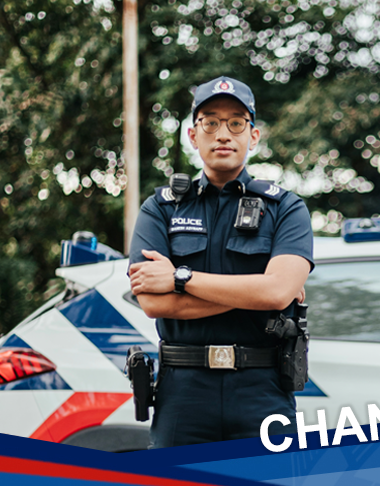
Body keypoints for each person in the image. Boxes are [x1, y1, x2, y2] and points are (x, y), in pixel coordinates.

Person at [127, 76, 313, 448]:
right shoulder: (160, 209)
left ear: (253, 135)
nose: (223, 134)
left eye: (236, 122)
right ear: (194, 137)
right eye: (209, 122)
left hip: (262, 390)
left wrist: (179, 277)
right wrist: (255, 291)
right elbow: (153, 303)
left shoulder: (286, 209)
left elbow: (277, 293)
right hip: (182, 393)